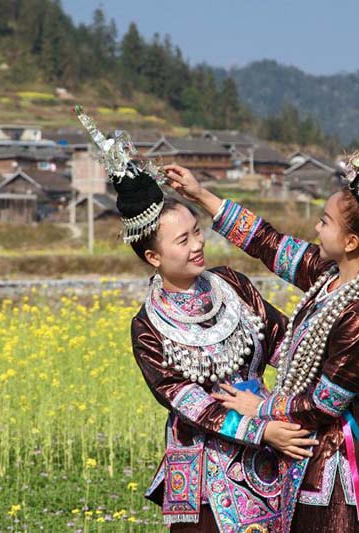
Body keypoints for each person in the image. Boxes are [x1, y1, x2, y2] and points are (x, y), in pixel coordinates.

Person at [164, 99, 359, 532]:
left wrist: (262, 408)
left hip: (339, 471)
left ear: (350, 242)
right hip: (303, 451)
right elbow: (267, 243)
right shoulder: (326, 276)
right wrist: (200, 195)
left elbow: (326, 404)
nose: (315, 228)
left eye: (324, 222)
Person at [77, 106, 318, 532]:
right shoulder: (148, 328)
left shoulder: (233, 285)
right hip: (206, 467)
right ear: (153, 257)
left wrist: (326, 383)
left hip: (267, 444)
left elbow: (287, 345)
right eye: (182, 239)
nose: (196, 245)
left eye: (197, 231)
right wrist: (262, 431)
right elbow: (190, 404)